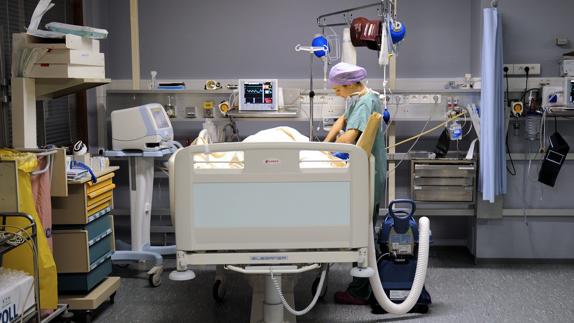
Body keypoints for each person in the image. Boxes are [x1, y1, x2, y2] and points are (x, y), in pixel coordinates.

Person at [323, 62, 387, 305]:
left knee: (363, 231)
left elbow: (351, 135)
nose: (335, 93)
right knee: (365, 227)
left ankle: (361, 290)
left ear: (349, 84)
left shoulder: (367, 102)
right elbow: (342, 121)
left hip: (369, 173)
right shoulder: (358, 97)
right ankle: (371, 281)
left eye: (337, 89)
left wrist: (327, 152)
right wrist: (323, 144)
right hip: (365, 171)